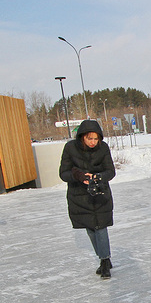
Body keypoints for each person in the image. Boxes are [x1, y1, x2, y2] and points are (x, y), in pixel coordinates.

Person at [59, 119, 116, 279]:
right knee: (90, 228)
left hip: (100, 193)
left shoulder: (103, 148)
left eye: (96, 139)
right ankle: (104, 257)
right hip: (79, 196)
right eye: (89, 138)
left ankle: (104, 261)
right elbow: (63, 173)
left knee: (101, 226)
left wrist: (97, 177)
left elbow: (110, 171)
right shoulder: (70, 148)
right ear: (82, 137)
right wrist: (79, 176)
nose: (93, 142)